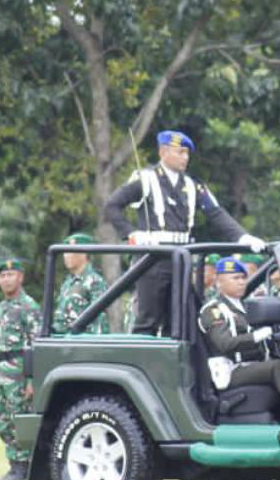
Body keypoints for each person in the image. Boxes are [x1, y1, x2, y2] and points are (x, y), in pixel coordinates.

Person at [105, 130, 265, 336]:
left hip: (181, 257)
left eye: (187, 153)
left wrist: (243, 237)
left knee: (179, 319)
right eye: (180, 152)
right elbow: (112, 206)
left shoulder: (193, 185)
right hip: (152, 257)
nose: (185, 158)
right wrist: (132, 233)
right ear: (163, 152)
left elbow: (216, 213)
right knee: (148, 319)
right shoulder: (146, 179)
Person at [197, 257, 280, 412]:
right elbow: (225, 344)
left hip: (249, 365)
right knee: (276, 367)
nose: (241, 282)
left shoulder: (245, 306)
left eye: (243, 277)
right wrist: (258, 335)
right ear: (219, 282)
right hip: (229, 371)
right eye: (235, 278)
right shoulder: (214, 310)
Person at [0, 259, 42, 480]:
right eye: (2, 276)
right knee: (2, 418)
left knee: (19, 416)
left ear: (20, 277)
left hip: (18, 368)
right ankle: (14, 463)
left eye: (11, 274)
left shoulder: (29, 306)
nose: (6, 279)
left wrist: (32, 379)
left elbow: (35, 344)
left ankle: (24, 465)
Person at [53, 233, 110, 334]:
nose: (66, 256)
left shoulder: (95, 282)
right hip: (62, 342)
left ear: (84, 253)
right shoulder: (68, 283)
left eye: (71, 252)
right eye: (65, 252)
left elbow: (99, 321)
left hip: (81, 344)